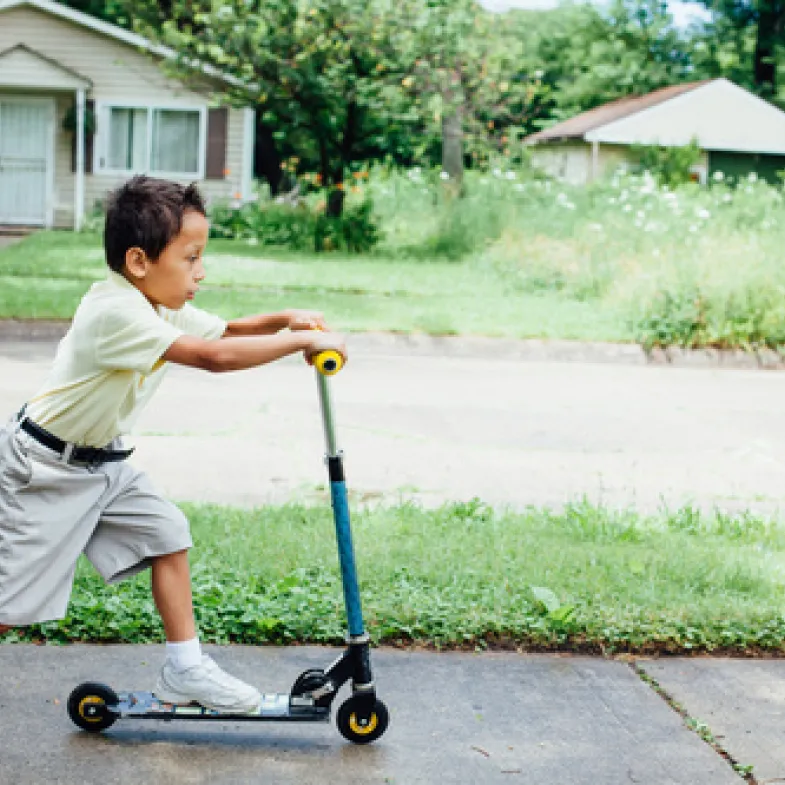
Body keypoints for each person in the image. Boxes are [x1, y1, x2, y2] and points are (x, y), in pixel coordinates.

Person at [0, 175, 347, 713]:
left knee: (167, 532)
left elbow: (225, 334)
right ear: (140, 261)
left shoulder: (158, 304)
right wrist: (301, 341)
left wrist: (284, 320)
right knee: (9, 605)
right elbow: (211, 360)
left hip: (105, 464)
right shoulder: (115, 311)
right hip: (43, 470)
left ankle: (186, 670)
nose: (201, 271)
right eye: (190, 257)